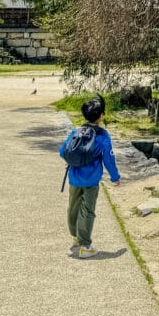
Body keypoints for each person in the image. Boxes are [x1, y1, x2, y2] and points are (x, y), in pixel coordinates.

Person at [59, 95, 121, 258]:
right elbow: (109, 158)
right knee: (88, 210)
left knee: (73, 207)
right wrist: (115, 177)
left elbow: (62, 151)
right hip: (91, 180)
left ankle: (75, 237)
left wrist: (70, 161)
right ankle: (85, 246)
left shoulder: (76, 132)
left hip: (74, 178)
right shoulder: (102, 136)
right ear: (100, 116)